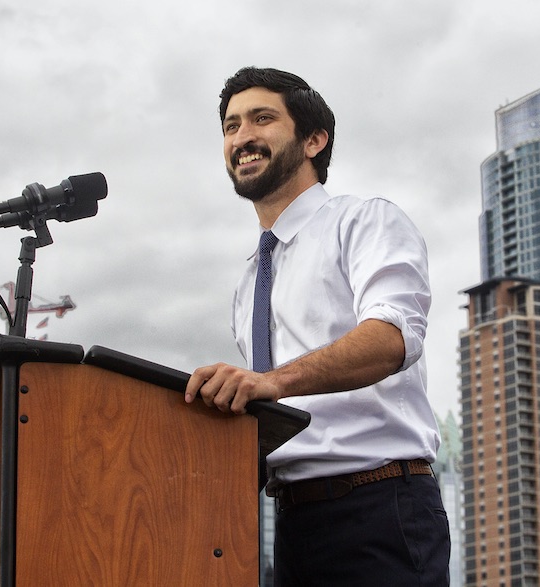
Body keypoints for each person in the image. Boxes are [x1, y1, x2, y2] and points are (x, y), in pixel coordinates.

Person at [185, 67, 450, 586]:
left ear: (314, 139)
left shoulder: (365, 222)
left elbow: (392, 337)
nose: (243, 137)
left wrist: (271, 382)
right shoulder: (247, 284)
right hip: (293, 525)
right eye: (231, 126)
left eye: (262, 119)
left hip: (381, 512)